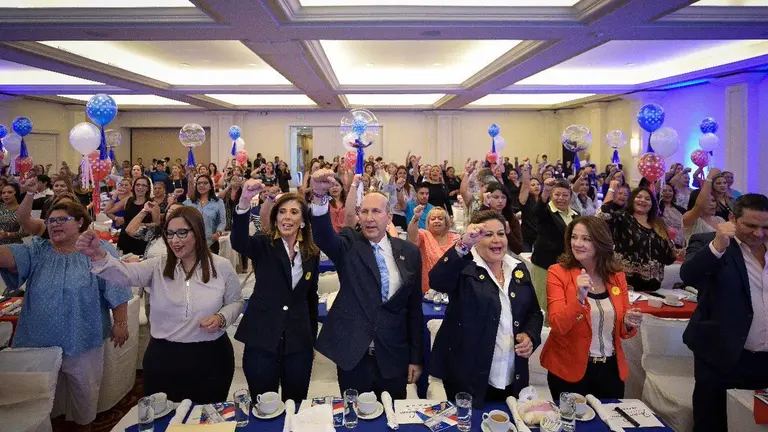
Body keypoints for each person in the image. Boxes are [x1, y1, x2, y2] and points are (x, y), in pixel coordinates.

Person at [78, 206, 242, 404]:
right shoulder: (157, 265)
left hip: (211, 356)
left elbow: (235, 301)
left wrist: (221, 317)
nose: (175, 240)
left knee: (206, 418)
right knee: (162, 416)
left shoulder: (221, 266)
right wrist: (98, 255)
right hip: (165, 357)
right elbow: (125, 274)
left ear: (198, 232)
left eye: (182, 233)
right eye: (170, 234)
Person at [0, 201, 132, 431]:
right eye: (50, 221)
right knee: (34, 397)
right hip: (38, 339)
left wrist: (120, 322)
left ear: (80, 222)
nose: (54, 225)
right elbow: (7, 258)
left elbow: (116, 287)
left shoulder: (98, 250)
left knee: (84, 391)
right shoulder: (38, 249)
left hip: (82, 336)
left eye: (62, 220)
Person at [309, 168, 423, 399]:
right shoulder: (349, 244)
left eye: (377, 212)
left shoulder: (409, 252)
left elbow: (414, 309)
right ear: (358, 216)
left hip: (393, 354)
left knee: (391, 417)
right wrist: (320, 198)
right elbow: (323, 236)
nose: (370, 218)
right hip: (354, 354)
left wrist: (416, 358)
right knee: (355, 417)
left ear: (389, 217)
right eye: (365, 212)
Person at [429, 210, 543, 407]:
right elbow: (437, 280)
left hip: (511, 376)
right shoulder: (464, 266)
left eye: (500, 233)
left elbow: (534, 312)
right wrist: (463, 244)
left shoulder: (518, 268)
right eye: (487, 235)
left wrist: (530, 336)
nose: (496, 240)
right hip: (466, 377)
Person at [681, 194, 768, 431]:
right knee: (713, 424)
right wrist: (718, 244)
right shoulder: (708, 242)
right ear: (732, 219)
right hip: (721, 358)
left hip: (764, 361)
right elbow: (688, 275)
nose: (758, 233)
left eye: (765, 227)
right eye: (750, 225)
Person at [231, 182, 320, 402]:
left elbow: (311, 297)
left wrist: (311, 339)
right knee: (264, 406)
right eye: (281, 212)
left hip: (298, 343)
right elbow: (238, 242)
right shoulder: (263, 245)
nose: (286, 217)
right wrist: (244, 202)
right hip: (262, 339)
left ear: (303, 221)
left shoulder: (311, 253)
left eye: (293, 212)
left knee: (295, 404)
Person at [541, 217, 642, 399]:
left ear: (601, 242)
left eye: (586, 239)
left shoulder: (616, 276)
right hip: (569, 368)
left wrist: (628, 322)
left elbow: (623, 330)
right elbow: (558, 325)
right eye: (574, 237)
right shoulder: (558, 273)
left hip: (610, 369)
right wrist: (579, 298)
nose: (577, 244)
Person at [602, 184, 679, 291]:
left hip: (653, 284)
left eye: (647, 199)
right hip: (626, 281)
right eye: (638, 197)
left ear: (652, 204)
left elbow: (667, 256)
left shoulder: (658, 223)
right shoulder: (621, 217)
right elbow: (604, 216)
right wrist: (611, 189)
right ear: (632, 199)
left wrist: (676, 253)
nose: (642, 200)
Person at [531, 179, 578, 313]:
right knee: (543, 303)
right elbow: (538, 210)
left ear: (570, 197)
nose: (561, 198)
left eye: (565, 195)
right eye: (557, 194)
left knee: (561, 302)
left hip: (567, 266)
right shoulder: (546, 212)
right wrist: (545, 190)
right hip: (545, 264)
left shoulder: (575, 215)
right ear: (552, 195)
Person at [407, 205, 460, 293]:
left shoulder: (456, 238)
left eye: (440, 218)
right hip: (428, 290)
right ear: (428, 223)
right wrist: (415, 218)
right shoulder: (424, 235)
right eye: (433, 219)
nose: (436, 221)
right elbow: (412, 236)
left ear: (446, 222)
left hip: (452, 289)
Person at [184, 174, 225, 254]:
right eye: (199, 183)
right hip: (192, 242)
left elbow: (222, 221)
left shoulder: (218, 202)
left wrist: (218, 232)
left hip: (211, 242)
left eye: (205, 183)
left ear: (210, 186)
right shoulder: (189, 202)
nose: (201, 185)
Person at [683, 168, 726, 243]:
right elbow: (699, 205)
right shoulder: (689, 219)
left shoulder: (720, 220)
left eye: (713, 200)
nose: (712, 204)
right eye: (707, 201)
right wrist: (709, 177)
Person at [113, 176, 153, 256]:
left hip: (141, 240)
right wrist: (114, 196)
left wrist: (143, 224)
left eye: (143, 185)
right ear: (133, 187)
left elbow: (157, 223)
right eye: (137, 185)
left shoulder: (152, 204)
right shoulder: (128, 200)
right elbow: (107, 211)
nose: (140, 187)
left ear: (148, 188)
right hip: (125, 238)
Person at [480, 182, 523, 254]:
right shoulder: (482, 214)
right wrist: (485, 205)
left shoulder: (512, 218)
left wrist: (508, 232)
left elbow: (518, 249)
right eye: (496, 197)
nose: (500, 201)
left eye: (503, 197)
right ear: (488, 197)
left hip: (506, 256)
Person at [518, 161, 541, 252]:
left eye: (538, 184)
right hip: (527, 238)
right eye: (533, 185)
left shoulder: (543, 200)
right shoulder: (524, 200)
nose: (536, 186)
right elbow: (525, 185)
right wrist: (526, 169)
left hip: (540, 237)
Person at [659, 183, 687, 248]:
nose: (668, 193)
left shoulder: (681, 210)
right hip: (664, 242)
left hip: (682, 243)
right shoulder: (657, 209)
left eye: (670, 191)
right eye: (664, 191)